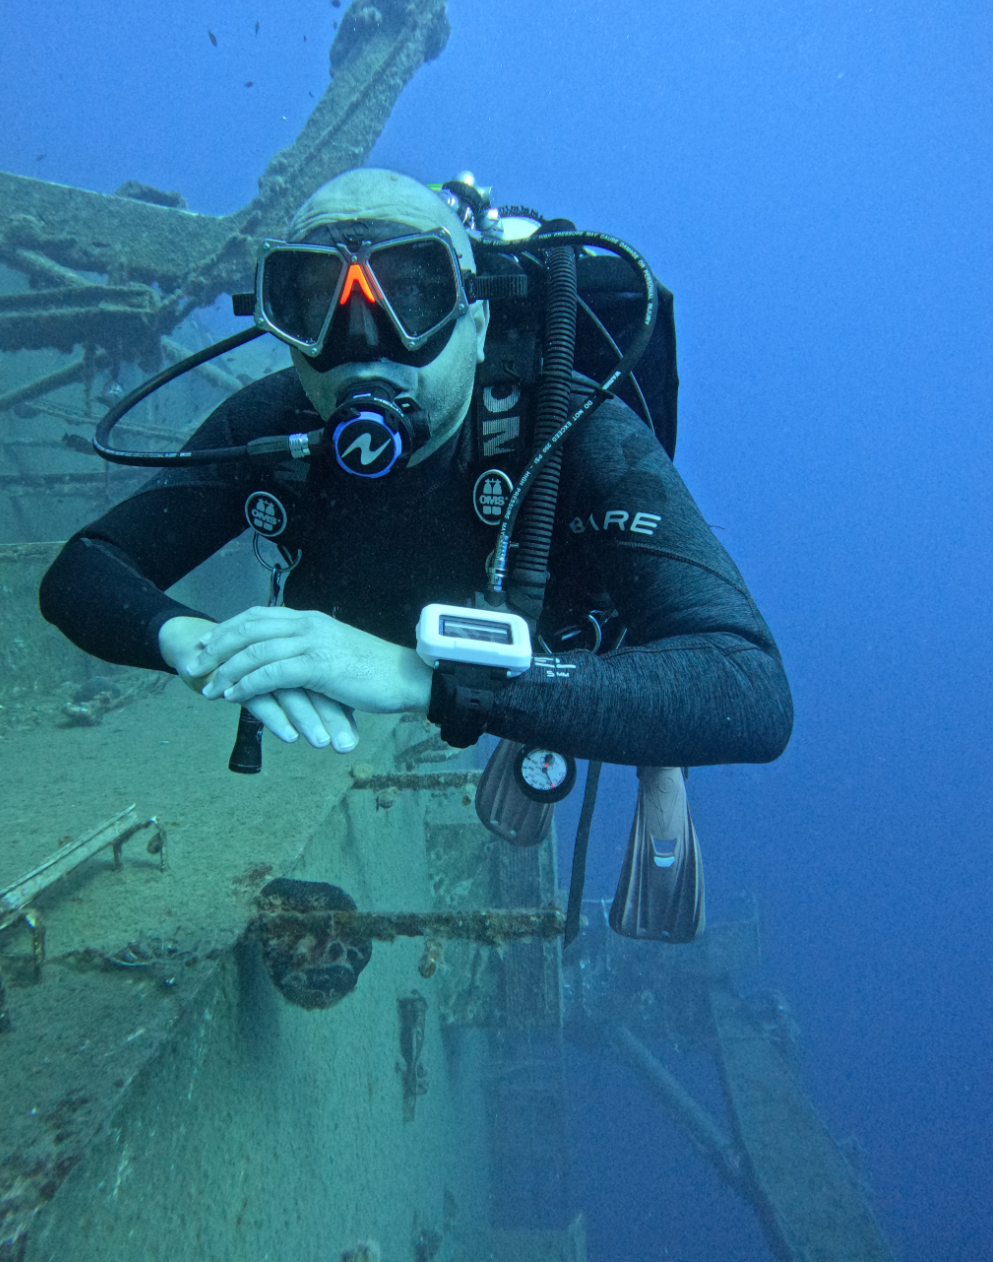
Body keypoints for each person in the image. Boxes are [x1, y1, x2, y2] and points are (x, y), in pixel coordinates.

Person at [39, 168, 793, 943]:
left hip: (566, 643)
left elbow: (751, 687)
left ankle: (646, 758)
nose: (362, 344)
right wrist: (201, 644)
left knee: (631, 680)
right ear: (282, 322)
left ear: (476, 319)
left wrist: (418, 678)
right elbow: (84, 568)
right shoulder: (271, 425)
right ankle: (537, 713)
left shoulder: (570, 429)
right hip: (481, 654)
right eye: (314, 298)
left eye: (413, 293)